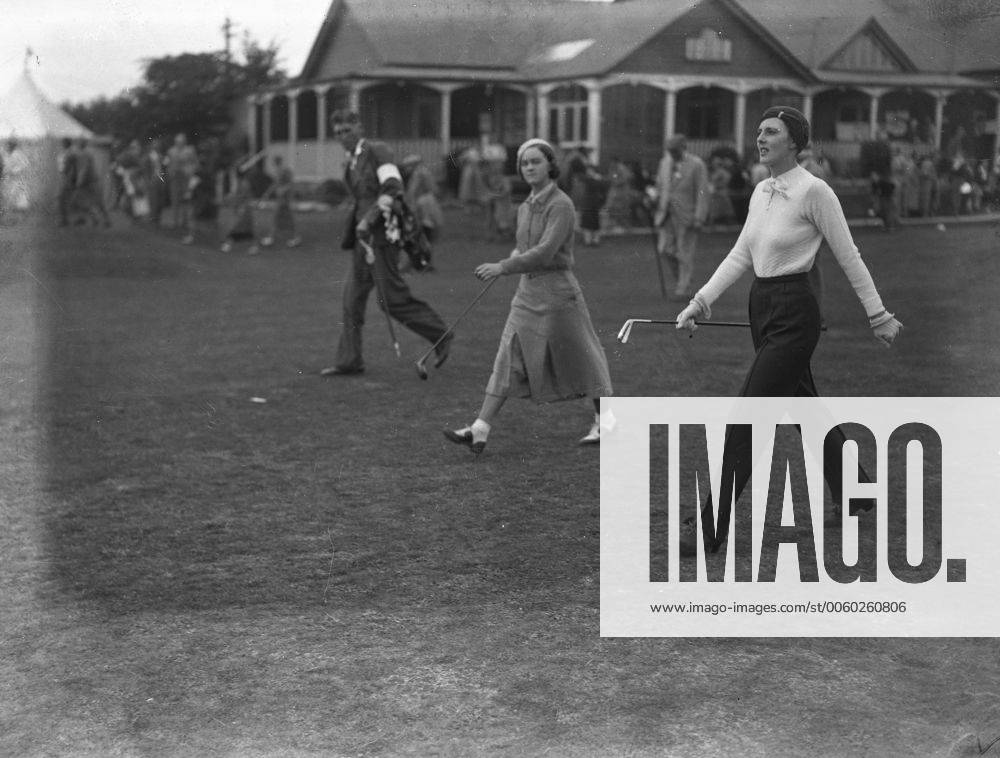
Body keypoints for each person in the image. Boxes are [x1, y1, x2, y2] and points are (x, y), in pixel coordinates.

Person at [673, 106, 903, 556]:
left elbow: (849, 255)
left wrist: (877, 314)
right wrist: (700, 301)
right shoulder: (761, 190)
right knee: (805, 409)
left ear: (795, 143)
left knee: (749, 416)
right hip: (762, 308)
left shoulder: (816, 193)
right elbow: (741, 254)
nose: (761, 138)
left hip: (797, 312)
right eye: (759, 131)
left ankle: (709, 526)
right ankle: (857, 491)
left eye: (772, 132)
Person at [444, 138, 614, 455]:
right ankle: (480, 428)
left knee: (585, 358)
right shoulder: (525, 206)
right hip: (527, 293)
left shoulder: (560, 204)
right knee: (506, 356)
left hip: (559, 294)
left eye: (536, 161)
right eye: (524, 163)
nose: (529, 167)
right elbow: (527, 248)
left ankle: (606, 422)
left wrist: (503, 266)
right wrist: (513, 257)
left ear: (551, 165)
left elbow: (547, 252)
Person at [320, 110, 452, 377]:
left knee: (391, 299)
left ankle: (441, 335)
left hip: (381, 237)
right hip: (362, 240)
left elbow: (392, 188)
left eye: (346, 130)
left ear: (359, 126)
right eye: (337, 133)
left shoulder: (378, 151)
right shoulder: (351, 161)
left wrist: (369, 219)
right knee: (351, 300)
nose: (342, 136)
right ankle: (349, 361)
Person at [654, 134, 710, 299]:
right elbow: (660, 185)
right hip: (666, 214)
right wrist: (654, 198)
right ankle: (683, 278)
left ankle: (683, 287)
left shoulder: (696, 164)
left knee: (685, 252)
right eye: (669, 150)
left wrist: (699, 217)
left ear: (683, 147)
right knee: (664, 250)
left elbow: (702, 191)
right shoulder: (664, 163)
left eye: (675, 150)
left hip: (688, 215)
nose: (672, 154)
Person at [259, 155, 301, 249]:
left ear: (277, 162)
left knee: (280, 217)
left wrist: (282, 190)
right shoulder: (280, 171)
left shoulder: (283, 170)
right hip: (281, 199)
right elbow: (276, 184)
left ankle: (293, 237)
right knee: (278, 218)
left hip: (284, 199)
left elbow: (289, 183)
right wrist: (267, 194)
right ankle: (273, 237)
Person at [166, 133, 198, 243]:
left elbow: (195, 163)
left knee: (186, 201)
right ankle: (175, 222)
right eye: (177, 142)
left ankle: (185, 223)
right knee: (175, 200)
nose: (179, 144)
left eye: (181, 142)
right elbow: (169, 164)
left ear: (185, 142)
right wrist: (170, 173)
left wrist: (190, 171)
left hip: (186, 178)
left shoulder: (190, 150)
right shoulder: (171, 151)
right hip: (175, 178)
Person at [74, 138, 111, 227]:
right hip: (90, 181)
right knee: (86, 202)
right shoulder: (86, 153)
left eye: (79, 143)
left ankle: (104, 220)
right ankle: (95, 219)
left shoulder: (84, 154)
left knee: (96, 202)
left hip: (89, 182)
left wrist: (80, 181)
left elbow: (84, 169)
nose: (78, 144)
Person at [56, 138, 79, 226]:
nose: (62, 144)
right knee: (63, 199)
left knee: (63, 199)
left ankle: (65, 219)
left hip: (68, 178)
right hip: (64, 177)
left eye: (64, 143)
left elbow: (71, 168)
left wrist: (71, 178)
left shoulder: (71, 154)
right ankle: (65, 219)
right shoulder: (65, 153)